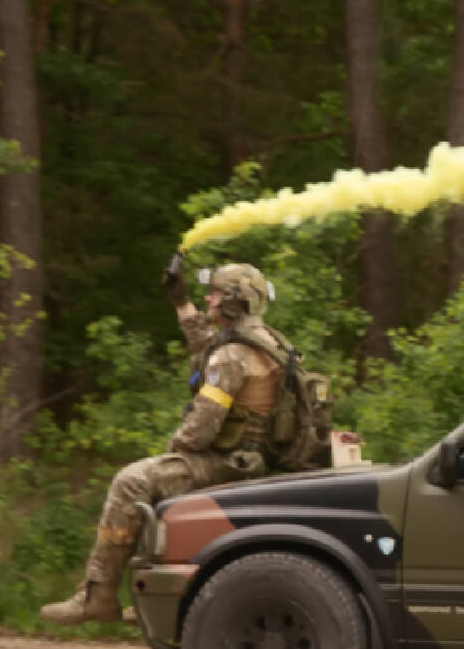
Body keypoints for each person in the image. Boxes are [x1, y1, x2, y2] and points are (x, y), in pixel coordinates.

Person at [41, 263, 290, 625]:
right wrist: (181, 301)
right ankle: (153, 597)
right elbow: (208, 342)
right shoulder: (271, 344)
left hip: (228, 462)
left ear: (237, 303)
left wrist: (176, 445)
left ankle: (98, 595)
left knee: (133, 481)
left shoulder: (232, 357)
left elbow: (199, 432)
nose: (210, 299)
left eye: (217, 294)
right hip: (258, 458)